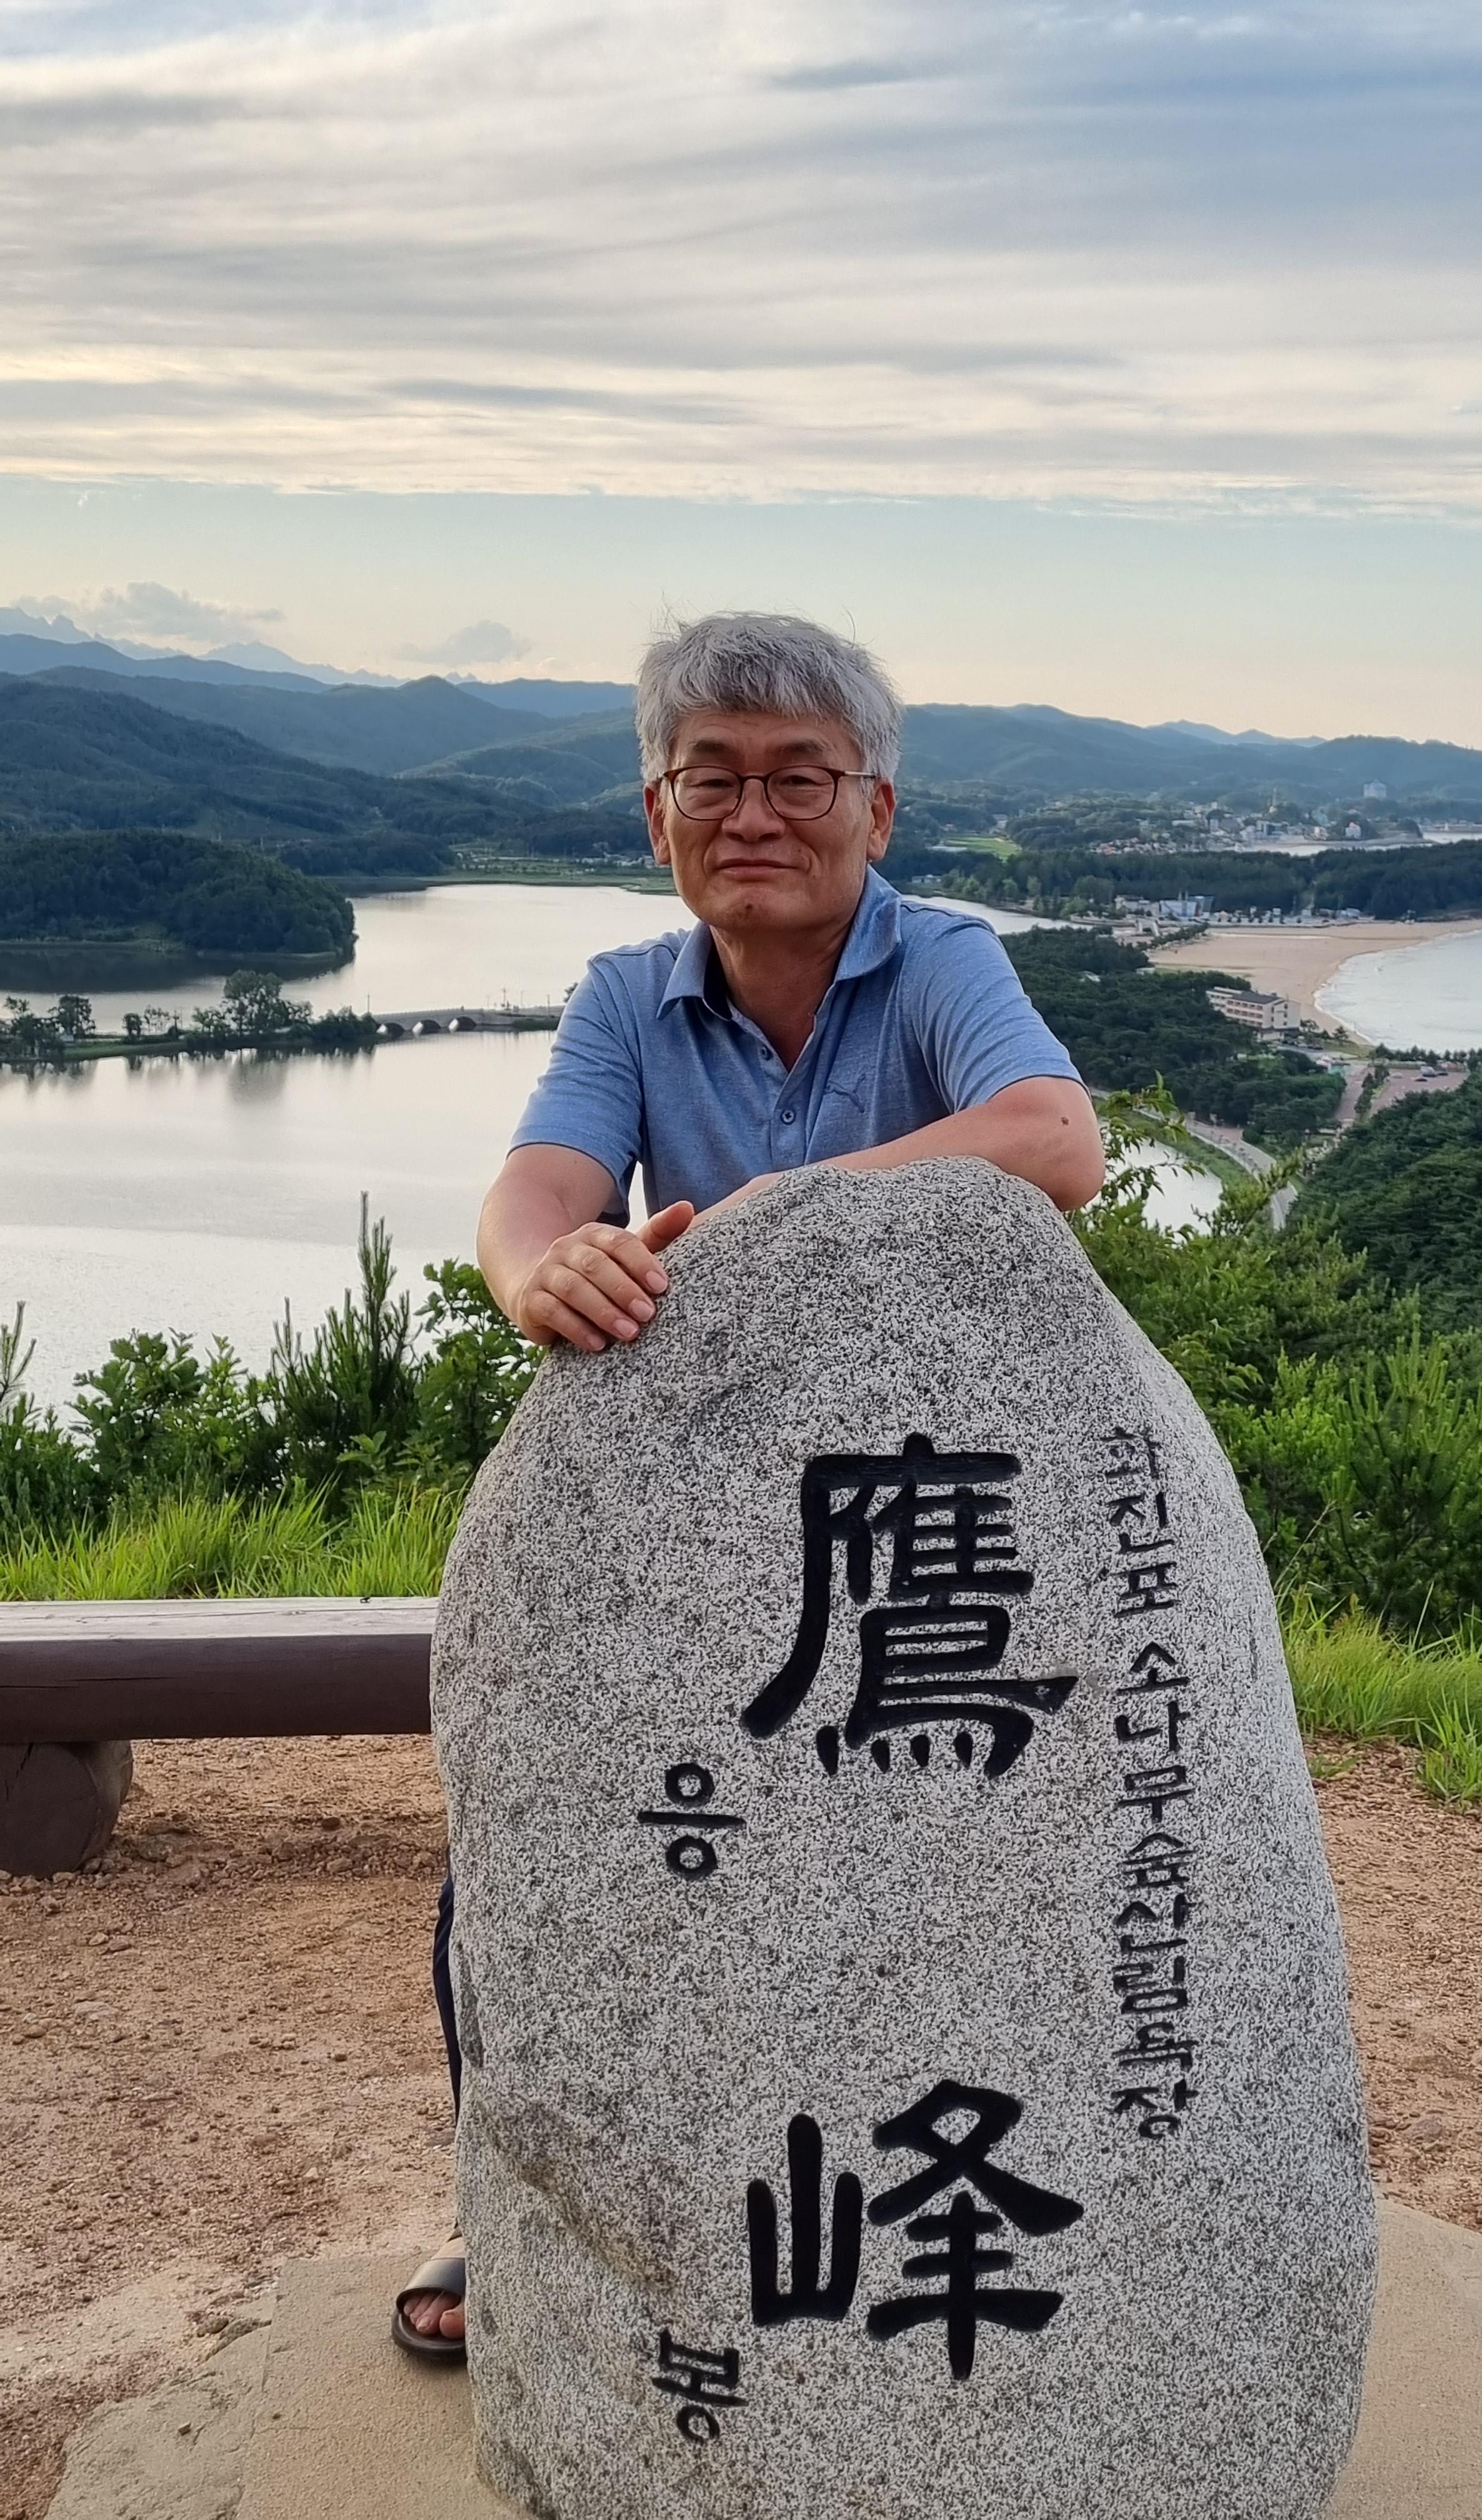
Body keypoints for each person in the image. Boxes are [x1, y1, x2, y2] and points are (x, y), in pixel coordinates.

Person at [393, 611, 1104, 2357]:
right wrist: (541, 1270)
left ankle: (982, 2217)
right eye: (712, 779)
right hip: (705, 1543)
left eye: (801, 778)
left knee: (948, 1899)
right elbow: (536, 1192)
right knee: (542, 1867)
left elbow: (1052, 1138)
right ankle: (529, 2212)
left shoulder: (939, 960)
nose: (756, 814)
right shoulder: (629, 997)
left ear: (877, 808)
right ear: (659, 814)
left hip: (927, 1550)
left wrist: (783, 1224)